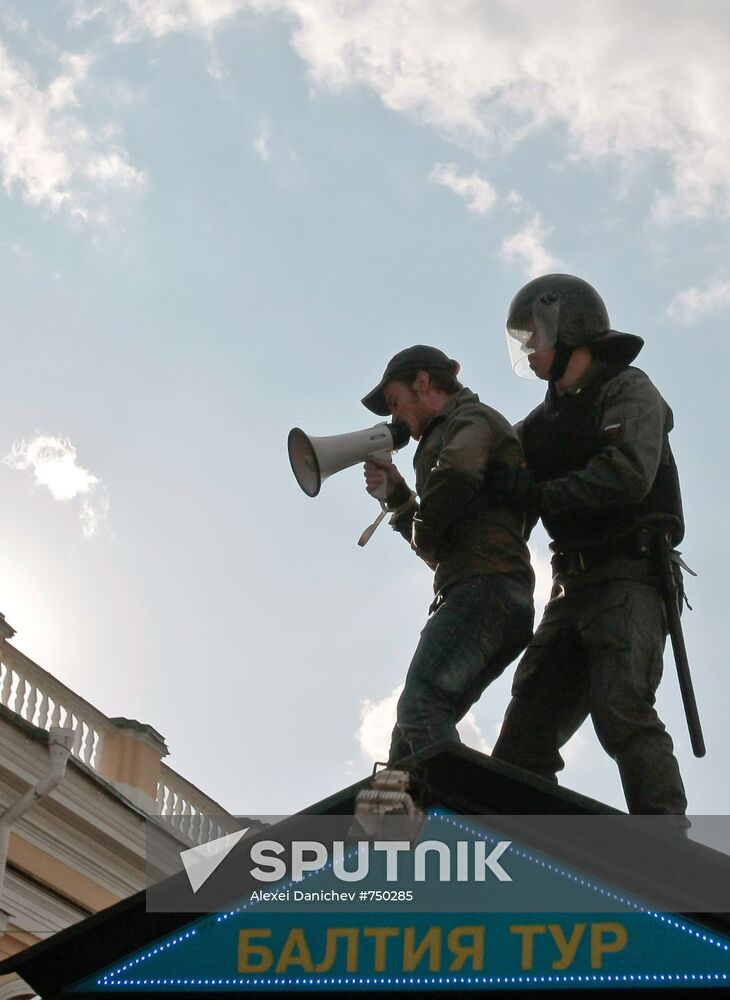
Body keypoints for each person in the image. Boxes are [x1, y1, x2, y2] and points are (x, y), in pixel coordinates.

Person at [488, 273, 688, 816]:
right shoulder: (537, 425)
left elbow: (626, 475)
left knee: (621, 709)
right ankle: (527, 854)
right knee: (524, 734)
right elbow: (492, 479)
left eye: (535, 335)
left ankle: (669, 852)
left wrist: (538, 491)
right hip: (570, 587)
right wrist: (409, 494)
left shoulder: (628, 389)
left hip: (629, 577)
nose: (527, 349)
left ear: (569, 328)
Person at [360, 344, 534, 765]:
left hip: (485, 590)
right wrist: (401, 501)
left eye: (395, 401)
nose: (394, 416)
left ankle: (464, 814)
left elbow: (457, 476)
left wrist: (419, 525)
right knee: (407, 742)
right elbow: (442, 548)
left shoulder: (470, 419)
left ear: (422, 382)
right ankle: (416, 825)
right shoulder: (453, 429)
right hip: (481, 591)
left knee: (420, 707)